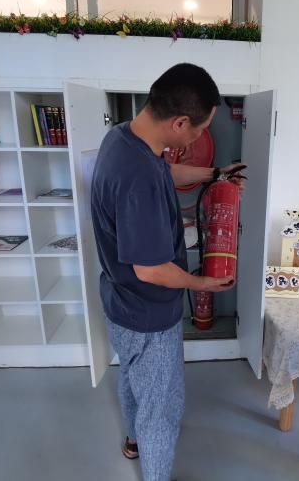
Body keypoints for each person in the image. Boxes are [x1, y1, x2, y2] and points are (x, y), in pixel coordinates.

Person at [91, 63, 242, 481]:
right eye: (198, 130)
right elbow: (152, 269)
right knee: (161, 407)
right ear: (179, 123)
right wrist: (202, 282)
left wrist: (215, 174)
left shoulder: (124, 138)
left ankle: (134, 440)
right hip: (149, 313)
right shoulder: (137, 175)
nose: (198, 139)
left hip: (120, 301)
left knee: (132, 377)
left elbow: (166, 171)